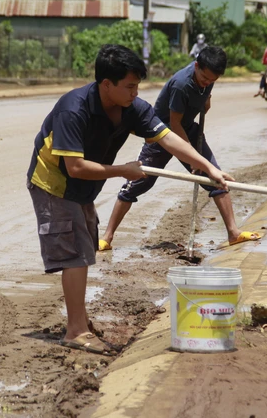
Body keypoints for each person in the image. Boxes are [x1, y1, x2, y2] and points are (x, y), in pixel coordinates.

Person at [27, 44, 234, 355]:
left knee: (84, 248)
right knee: (75, 253)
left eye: (137, 85)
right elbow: (75, 167)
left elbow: (168, 138)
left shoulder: (132, 107)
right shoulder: (74, 109)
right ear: (106, 84)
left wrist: (208, 167)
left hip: (83, 187)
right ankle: (76, 331)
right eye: (130, 86)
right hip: (55, 184)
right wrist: (122, 170)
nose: (136, 93)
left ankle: (79, 320)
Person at [98, 46, 261, 252]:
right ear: (196, 67)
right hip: (161, 134)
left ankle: (233, 233)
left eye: (212, 81)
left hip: (189, 130)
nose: (207, 83)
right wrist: (193, 158)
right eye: (204, 78)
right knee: (138, 183)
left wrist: (206, 101)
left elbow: (202, 98)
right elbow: (174, 126)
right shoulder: (181, 85)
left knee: (216, 177)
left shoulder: (207, 79)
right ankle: (107, 236)